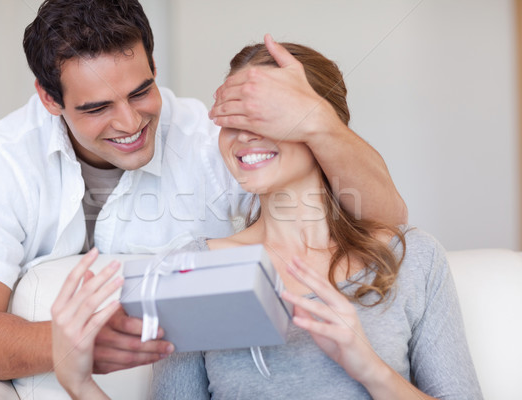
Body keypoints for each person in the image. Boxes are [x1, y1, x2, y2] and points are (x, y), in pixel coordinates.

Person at [0, 0, 406, 383]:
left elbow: (383, 218)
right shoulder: (3, 159)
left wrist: (321, 120)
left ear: (154, 65)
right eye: (98, 107)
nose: (129, 123)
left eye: (141, 91)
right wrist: (74, 344)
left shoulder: (206, 141)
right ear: (49, 99)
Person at [50, 37, 481, 399]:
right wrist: (78, 382)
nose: (243, 135)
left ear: (321, 123)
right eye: (230, 119)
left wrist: (370, 368)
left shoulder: (415, 259)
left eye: (264, 116)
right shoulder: (194, 269)